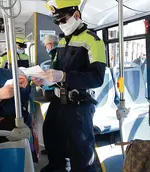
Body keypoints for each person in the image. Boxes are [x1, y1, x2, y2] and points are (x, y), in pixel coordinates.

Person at [31, 0, 106, 171]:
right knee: (52, 141)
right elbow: (57, 72)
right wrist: (46, 81)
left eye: (63, 20)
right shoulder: (62, 42)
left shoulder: (93, 41)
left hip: (78, 105)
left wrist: (65, 76)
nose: (61, 24)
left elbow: (97, 78)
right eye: (57, 21)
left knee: (81, 152)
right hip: (58, 102)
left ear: (76, 15)